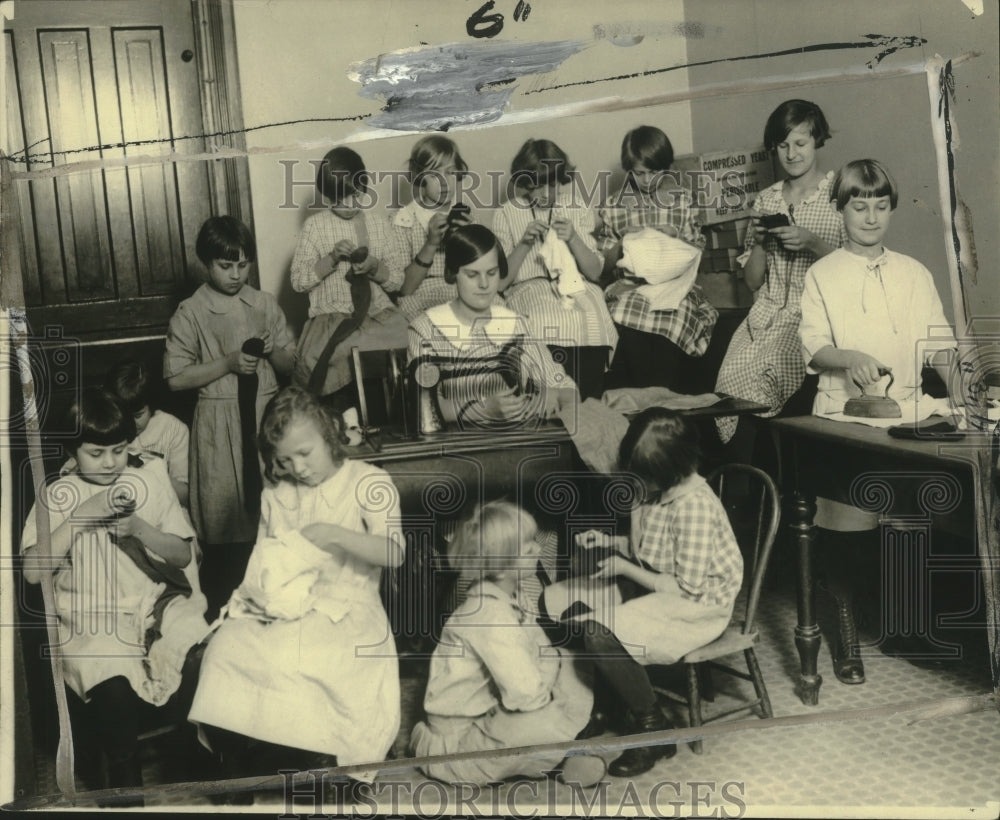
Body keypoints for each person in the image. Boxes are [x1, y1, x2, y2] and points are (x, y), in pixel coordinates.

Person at [188, 386, 404, 795]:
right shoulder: (278, 495)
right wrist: (249, 605)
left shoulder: (369, 482)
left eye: (305, 453)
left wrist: (332, 535)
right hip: (285, 603)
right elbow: (264, 563)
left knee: (309, 657)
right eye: (284, 460)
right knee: (225, 649)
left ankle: (321, 761)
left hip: (349, 606)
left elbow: (393, 553)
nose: (298, 468)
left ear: (329, 434)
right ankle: (236, 760)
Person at [799, 158, 958, 684]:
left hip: (904, 414)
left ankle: (907, 630)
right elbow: (816, 347)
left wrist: (965, 388)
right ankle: (846, 638)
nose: (870, 217)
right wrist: (850, 359)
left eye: (881, 206)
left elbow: (940, 345)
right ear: (840, 209)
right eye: (858, 205)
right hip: (843, 417)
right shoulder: (823, 274)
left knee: (912, 514)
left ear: (892, 208)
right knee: (848, 521)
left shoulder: (915, 272)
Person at [20, 389, 209, 801]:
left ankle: (220, 772)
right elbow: (34, 572)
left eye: (119, 450)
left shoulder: (147, 479)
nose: (109, 463)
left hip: (154, 605)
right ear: (73, 450)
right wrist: (80, 518)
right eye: (96, 453)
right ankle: (127, 796)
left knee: (206, 653)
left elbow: (181, 555)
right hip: (92, 618)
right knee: (112, 684)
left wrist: (141, 529)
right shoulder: (56, 494)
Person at [543, 408, 743, 777]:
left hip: (698, 607)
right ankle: (611, 705)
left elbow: (686, 587)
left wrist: (623, 567)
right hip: (658, 584)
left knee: (598, 632)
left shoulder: (694, 506)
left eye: (642, 476)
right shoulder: (660, 492)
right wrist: (610, 541)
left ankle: (655, 728)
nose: (636, 483)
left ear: (667, 472)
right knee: (565, 604)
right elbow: (655, 549)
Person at [410, 500, 605, 787]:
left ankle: (560, 750)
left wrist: (550, 666)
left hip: (491, 707)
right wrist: (549, 678)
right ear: (501, 570)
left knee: (569, 660)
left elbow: (540, 644)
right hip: (463, 740)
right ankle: (559, 760)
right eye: (528, 549)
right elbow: (526, 695)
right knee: (537, 720)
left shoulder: (508, 595)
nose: (538, 549)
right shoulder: (491, 616)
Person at [164, 216, 296, 615]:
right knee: (226, 523)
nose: (236, 274)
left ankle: (277, 611)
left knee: (273, 521)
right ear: (206, 263)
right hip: (218, 429)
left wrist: (274, 350)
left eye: (243, 264)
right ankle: (226, 617)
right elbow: (174, 379)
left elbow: (291, 366)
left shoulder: (263, 304)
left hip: (264, 422)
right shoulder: (191, 312)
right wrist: (227, 363)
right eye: (226, 266)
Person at [714, 100, 844, 453]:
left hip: (811, 321)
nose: (790, 154)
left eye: (800, 143)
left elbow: (855, 273)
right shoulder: (766, 200)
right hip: (764, 320)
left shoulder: (839, 196)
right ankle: (749, 490)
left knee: (769, 393)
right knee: (729, 388)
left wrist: (812, 243)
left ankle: (771, 487)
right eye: (782, 145)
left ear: (818, 141)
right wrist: (758, 242)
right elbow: (753, 282)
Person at [407, 223, 578, 428]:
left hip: (513, 444)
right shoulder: (424, 329)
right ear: (452, 274)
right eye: (472, 275)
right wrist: (484, 409)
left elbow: (566, 388)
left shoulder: (515, 325)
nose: (484, 284)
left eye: (492, 273)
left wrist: (554, 395)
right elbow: (421, 408)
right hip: (448, 448)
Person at [492, 138, 618, 399]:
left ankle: (589, 402)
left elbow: (595, 272)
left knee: (593, 313)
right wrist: (525, 243)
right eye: (536, 187)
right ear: (524, 183)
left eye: (552, 185)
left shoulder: (576, 206)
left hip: (577, 287)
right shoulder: (506, 213)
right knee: (541, 317)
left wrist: (573, 238)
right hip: (530, 289)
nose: (546, 194)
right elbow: (501, 283)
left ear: (561, 179)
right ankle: (552, 400)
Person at [597, 125, 717, 392]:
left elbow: (696, 253)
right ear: (628, 170)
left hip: (676, 289)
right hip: (630, 289)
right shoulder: (614, 206)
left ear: (668, 168)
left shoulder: (682, 200)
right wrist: (621, 243)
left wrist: (674, 237)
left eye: (655, 172)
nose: (648, 180)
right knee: (623, 315)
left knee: (672, 317)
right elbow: (602, 266)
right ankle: (647, 399)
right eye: (639, 174)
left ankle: (662, 396)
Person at [290, 146, 409, 406]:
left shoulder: (378, 225)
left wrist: (374, 267)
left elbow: (398, 280)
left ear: (363, 186)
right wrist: (331, 259)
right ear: (326, 195)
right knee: (334, 357)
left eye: (354, 196)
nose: (347, 205)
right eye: (338, 199)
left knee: (403, 341)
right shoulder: (315, 226)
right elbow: (298, 281)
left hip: (376, 315)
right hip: (332, 318)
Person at [392, 135, 473, 320]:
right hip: (421, 297)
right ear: (420, 178)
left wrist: (468, 242)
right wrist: (430, 244)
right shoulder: (403, 220)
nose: (444, 182)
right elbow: (404, 289)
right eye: (434, 175)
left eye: (451, 172)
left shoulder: (465, 216)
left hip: (461, 293)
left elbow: (477, 275)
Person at [103, 359, 190, 506]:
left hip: (161, 509)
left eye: (138, 416)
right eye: (123, 415)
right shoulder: (103, 424)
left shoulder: (174, 429)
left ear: (152, 405)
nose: (130, 423)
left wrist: (152, 473)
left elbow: (184, 495)